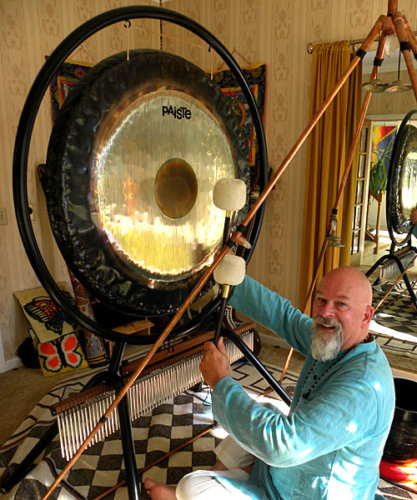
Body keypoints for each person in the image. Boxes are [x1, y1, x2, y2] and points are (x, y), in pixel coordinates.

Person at [145, 266, 395, 500]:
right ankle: (228, 476)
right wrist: (224, 272)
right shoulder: (333, 340)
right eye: (321, 300)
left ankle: (229, 481)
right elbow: (282, 316)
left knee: (191, 488)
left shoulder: (362, 385)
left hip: (303, 493)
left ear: (366, 315)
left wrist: (222, 381)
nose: (325, 313)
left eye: (341, 304)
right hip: (284, 471)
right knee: (256, 415)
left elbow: (284, 445)